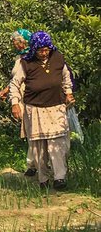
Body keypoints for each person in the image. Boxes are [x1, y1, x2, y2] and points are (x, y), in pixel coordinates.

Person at [9, 31, 75, 190]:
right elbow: (15, 84)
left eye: (46, 49)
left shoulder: (58, 58)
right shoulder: (25, 63)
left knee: (58, 143)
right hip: (35, 109)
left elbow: (66, 77)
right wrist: (15, 103)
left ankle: (60, 178)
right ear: (34, 49)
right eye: (40, 50)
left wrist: (68, 93)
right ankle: (43, 178)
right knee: (39, 147)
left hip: (56, 107)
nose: (44, 53)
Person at [0, 29, 37, 176]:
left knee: (35, 130)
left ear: (23, 41)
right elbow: (17, 78)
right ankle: (32, 164)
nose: (14, 44)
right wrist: (7, 89)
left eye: (16, 41)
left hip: (31, 96)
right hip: (20, 96)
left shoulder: (33, 57)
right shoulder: (19, 57)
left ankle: (36, 164)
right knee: (29, 130)